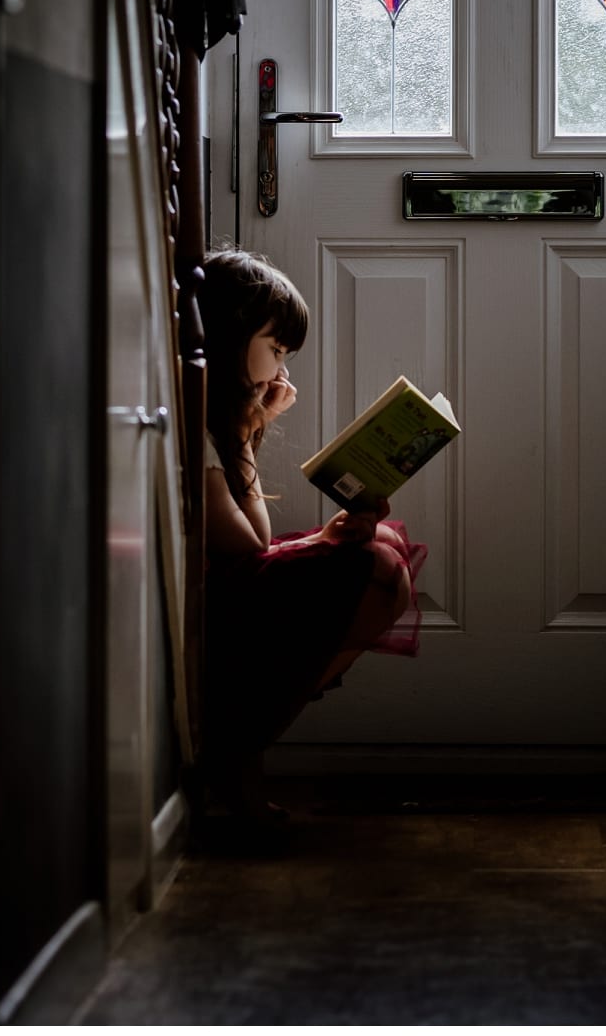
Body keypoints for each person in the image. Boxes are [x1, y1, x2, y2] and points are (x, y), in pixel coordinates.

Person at [196, 244, 427, 828]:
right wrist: (250, 431)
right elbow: (250, 545)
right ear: (231, 337)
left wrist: (318, 539)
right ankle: (236, 750)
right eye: (274, 350)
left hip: (224, 589)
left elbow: (248, 545)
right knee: (373, 569)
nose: (280, 372)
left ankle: (242, 745)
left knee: (382, 550)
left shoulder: (211, 417)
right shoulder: (192, 424)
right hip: (215, 606)